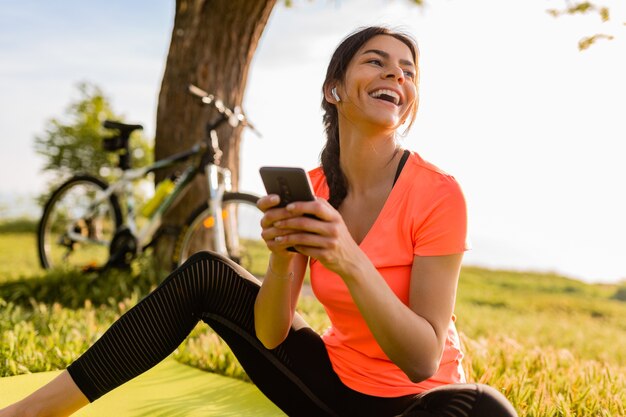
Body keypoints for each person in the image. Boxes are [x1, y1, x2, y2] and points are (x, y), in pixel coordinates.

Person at [0, 26, 518, 417]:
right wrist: (279, 259)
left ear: (410, 100)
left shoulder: (438, 193)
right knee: (208, 270)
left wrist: (349, 259)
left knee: (487, 409)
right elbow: (270, 333)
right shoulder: (312, 189)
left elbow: (423, 360)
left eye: (408, 71)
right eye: (376, 62)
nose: (396, 75)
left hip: (416, 406)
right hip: (327, 388)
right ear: (334, 88)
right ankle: (29, 412)